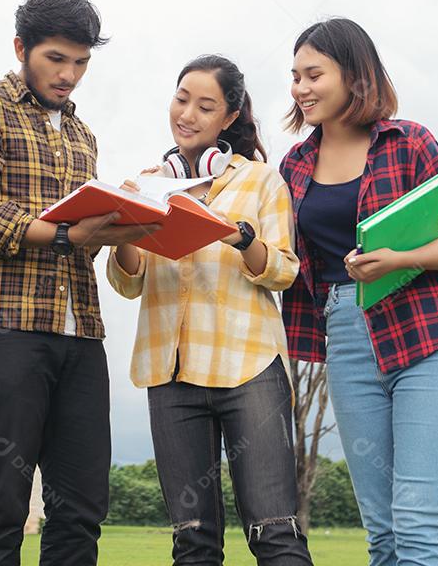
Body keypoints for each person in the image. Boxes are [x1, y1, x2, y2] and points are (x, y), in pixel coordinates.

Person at [0, 0, 156, 565]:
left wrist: (126, 225)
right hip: (2, 327)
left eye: (81, 62)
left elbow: (86, 239)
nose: (69, 75)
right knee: (3, 505)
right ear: (20, 48)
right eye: (56, 59)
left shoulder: (84, 138)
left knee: (82, 507)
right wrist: (65, 235)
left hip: (80, 333)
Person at [279, 18, 438, 566]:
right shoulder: (294, 166)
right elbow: (287, 262)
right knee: (383, 529)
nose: (301, 88)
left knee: (415, 520)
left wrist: (401, 259)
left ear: (354, 74)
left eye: (314, 74)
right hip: (346, 333)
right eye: (294, 76)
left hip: (426, 332)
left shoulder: (408, 140)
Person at [107, 55, 314, 565]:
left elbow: (285, 270)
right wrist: (126, 226)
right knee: (193, 542)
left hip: (247, 370)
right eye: (181, 99)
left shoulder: (262, 182)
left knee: (275, 533)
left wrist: (238, 237)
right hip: (170, 373)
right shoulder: (147, 183)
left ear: (229, 117)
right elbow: (127, 281)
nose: (188, 114)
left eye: (205, 106)